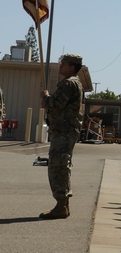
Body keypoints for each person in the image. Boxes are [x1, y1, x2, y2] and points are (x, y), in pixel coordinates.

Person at [39, 53, 85, 218]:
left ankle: (61, 204)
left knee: (58, 167)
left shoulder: (69, 84)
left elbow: (56, 105)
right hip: (64, 131)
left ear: (71, 67)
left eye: (63, 63)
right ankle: (62, 205)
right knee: (61, 166)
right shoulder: (73, 83)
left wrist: (45, 98)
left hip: (64, 132)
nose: (60, 66)